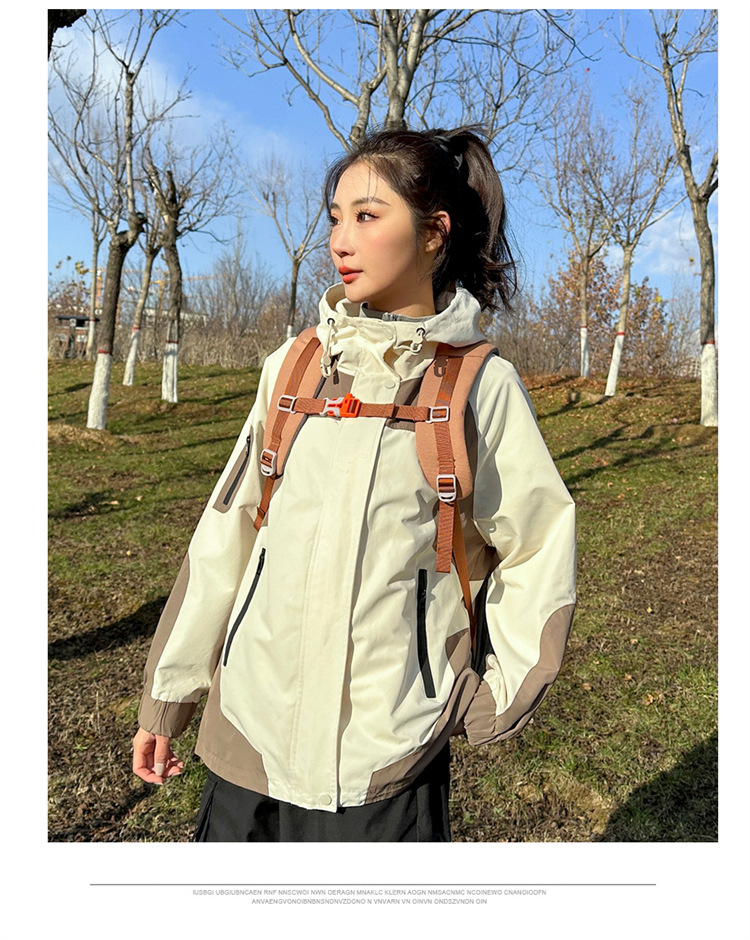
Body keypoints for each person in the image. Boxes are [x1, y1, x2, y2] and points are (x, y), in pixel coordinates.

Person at [132, 126, 576, 842]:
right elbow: (227, 536)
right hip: (249, 739)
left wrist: (497, 693)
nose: (340, 240)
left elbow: (538, 544)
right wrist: (169, 697)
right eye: (335, 217)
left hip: (388, 758)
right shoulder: (292, 367)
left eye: (367, 216)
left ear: (433, 232)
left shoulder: (479, 386)